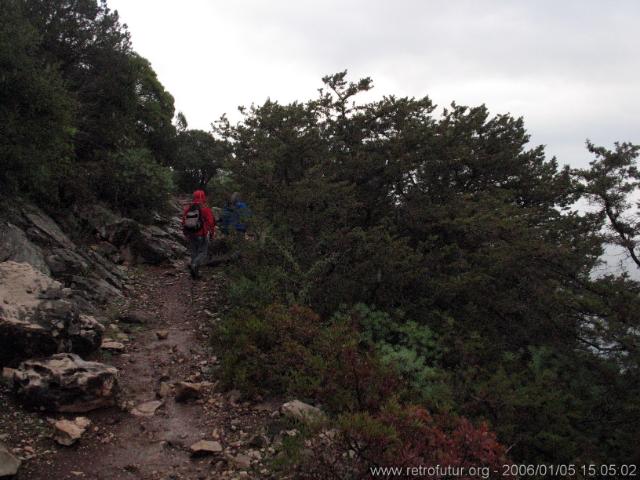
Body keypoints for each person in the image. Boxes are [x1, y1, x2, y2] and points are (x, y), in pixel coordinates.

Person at [182, 189, 215, 279]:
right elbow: (211, 223)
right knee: (203, 253)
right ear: (204, 197)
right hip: (202, 234)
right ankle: (195, 265)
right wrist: (211, 233)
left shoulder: (189, 208)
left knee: (194, 253)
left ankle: (195, 274)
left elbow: (183, 222)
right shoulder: (205, 209)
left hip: (191, 234)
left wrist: (185, 234)